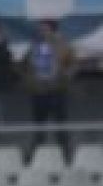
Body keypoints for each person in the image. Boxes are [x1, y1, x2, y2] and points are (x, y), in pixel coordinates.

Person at [21, 18, 76, 155]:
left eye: (44, 29)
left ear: (53, 30)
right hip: (38, 92)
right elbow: (25, 65)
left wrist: (65, 74)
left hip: (57, 91)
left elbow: (73, 64)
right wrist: (28, 80)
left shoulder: (63, 45)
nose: (41, 32)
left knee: (61, 126)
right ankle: (36, 156)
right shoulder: (34, 45)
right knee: (38, 127)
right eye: (40, 29)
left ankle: (65, 155)